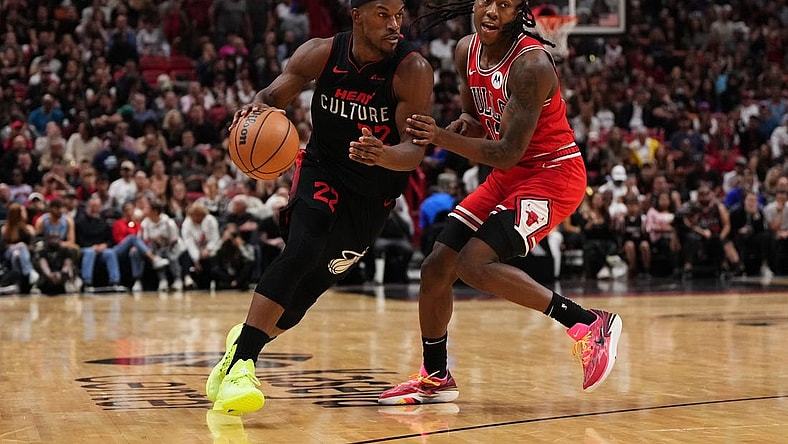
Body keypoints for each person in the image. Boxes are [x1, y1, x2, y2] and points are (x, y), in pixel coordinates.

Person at [376, 0, 623, 405]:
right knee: (436, 266)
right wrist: (462, 126)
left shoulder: (532, 66)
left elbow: (506, 150)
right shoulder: (465, 50)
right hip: (510, 174)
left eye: (504, 4)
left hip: (552, 174)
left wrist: (439, 136)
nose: (491, 11)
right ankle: (436, 376)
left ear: (519, 11)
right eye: (486, 0)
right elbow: (478, 119)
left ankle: (586, 322)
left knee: (473, 263)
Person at [205, 0, 434, 415]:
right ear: (358, 15)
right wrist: (253, 115)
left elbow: (413, 152)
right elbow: (270, 97)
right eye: (383, 14)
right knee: (302, 250)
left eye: (399, 14)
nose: (394, 24)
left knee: (304, 296)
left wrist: (382, 154)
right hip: (322, 168)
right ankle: (242, 366)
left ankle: (240, 344)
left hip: (372, 193)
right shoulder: (320, 52)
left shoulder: (411, 70)